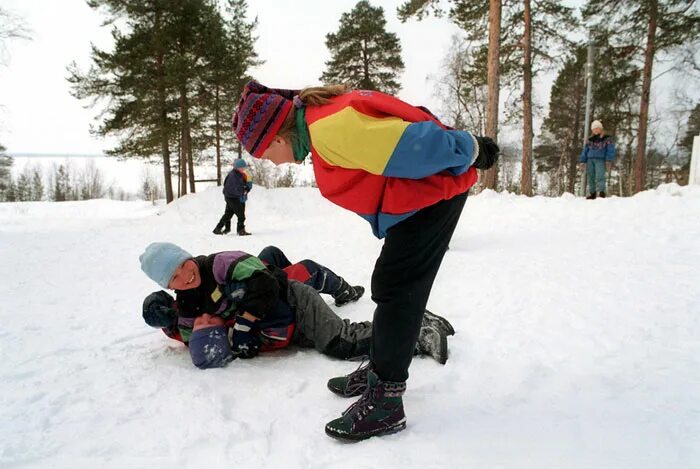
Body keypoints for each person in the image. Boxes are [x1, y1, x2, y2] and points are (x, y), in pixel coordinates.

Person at [231, 81, 499, 440]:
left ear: (278, 138)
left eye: (264, 155)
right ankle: (379, 368)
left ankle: (386, 400)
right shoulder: (321, 125)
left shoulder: (328, 129)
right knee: (389, 285)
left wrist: (471, 149)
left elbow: (414, 146)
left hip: (431, 200)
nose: (271, 163)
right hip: (415, 204)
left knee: (399, 291)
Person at [139, 242, 454, 369]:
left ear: (187, 256)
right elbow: (189, 335)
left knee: (340, 342)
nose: (185, 275)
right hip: (285, 327)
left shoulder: (220, 265)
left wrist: (246, 323)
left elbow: (264, 283)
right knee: (350, 335)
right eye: (174, 278)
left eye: (182, 265)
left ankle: (417, 334)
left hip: (292, 299)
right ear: (169, 287)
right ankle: (410, 320)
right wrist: (165, 321)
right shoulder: (191, 308)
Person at [213, 158, 252, 236]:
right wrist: (243, 190)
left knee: (228, 214)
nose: (244, 169)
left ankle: (218, 228)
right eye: (242, 167)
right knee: (241, 215)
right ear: (237, 167)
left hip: (232, 197)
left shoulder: (238, 174)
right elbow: (233, 188)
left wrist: (246, 188)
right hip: (232, 198)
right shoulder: (233, 176)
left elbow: (241, 185)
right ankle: (241, 230)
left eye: (244, 167)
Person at [579, 120, 616, 199]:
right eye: (594, 128)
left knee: (600, 176)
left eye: (597, 128)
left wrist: (608, 160)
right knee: (591, 176)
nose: (595, 130)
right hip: (590, 160)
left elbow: (610, 150)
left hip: (600, 159)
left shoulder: (606, 139)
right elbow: (585, 151)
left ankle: (602, 192)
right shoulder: (589, 140)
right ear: (592, 130)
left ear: (601, 129)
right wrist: (582, 161)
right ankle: (592, 193)